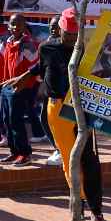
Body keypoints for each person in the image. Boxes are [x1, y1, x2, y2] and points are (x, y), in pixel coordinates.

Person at [7, 7, 105, 220]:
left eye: (74, 34)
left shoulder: (83, 50)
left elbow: (98, 74)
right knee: (69, 158)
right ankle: (79, 203)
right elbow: (42, 68)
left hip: (81, 108)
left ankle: (96, 209)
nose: (70, 38)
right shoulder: (46, 48)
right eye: (67, 34)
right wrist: (25, 75)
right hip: (56, 108)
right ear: (59, 31)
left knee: (89, 159)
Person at [0, 14, 38, 166]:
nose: (15, 27)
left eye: (19, 24)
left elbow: (36, 67)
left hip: (20, 88)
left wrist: (25, 84)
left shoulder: (27, 44)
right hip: (5, 86)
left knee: (16, 121)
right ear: (8, 26)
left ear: (24, 27)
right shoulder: (6, 42)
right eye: (13, 24)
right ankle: (14, 151)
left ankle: (25, 153)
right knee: (6, 120)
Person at [40, 15, 63, 165]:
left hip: (61, 92)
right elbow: (42, 68)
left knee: (60, 122)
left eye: (56, 26)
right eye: (51, 25)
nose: (53, 29)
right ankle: (58, 148)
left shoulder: (67, 45)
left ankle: (62, 150)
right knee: (45, 119)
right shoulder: (47, 44)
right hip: (49, 91)